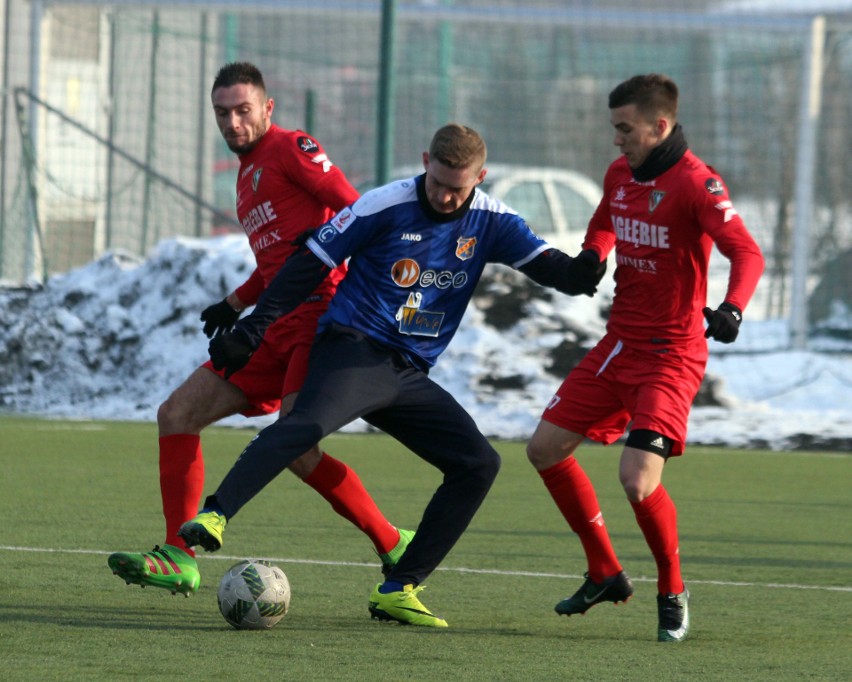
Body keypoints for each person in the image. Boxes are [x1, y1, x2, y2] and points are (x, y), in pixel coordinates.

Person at [175, 123, 607, 627]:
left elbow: (549, 266)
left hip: (407, 373)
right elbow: (310, 263)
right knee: (304, 427)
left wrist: (583, 270)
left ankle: (399, 588)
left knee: (478, 464)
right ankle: (216, 513)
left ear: (480, 178)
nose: (446, 196)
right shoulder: (384, 204)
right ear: (426, 161)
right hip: (353, 348)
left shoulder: (493, 220)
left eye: (458, 187)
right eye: (438, 181)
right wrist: (255, 327)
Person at [108, 62, 413, 596]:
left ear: (267, 108)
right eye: (222, 113)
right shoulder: (246, 178)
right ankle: (178, 557)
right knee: (177, 413)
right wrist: (234, 303)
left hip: (319, 317)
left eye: (242, 110)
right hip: (273, 321)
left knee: (295, 446)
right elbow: (276, 259)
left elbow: (355, 209)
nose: (233, 122)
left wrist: (375, 276)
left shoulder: (292, 148)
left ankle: (393, 542)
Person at [526, 74, 765, 642]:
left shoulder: (695, 184)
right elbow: (606, 219)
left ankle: (672, 589)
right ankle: (605, 571)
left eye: (625, 129)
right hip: (619, 345)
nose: (617, 140)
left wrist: (731, 307)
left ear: (660, 127)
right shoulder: (620, 174)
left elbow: (746, 252)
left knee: (636, 479)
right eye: (615, 128)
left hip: (671, 355)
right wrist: (593, 255)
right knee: (544, 449)